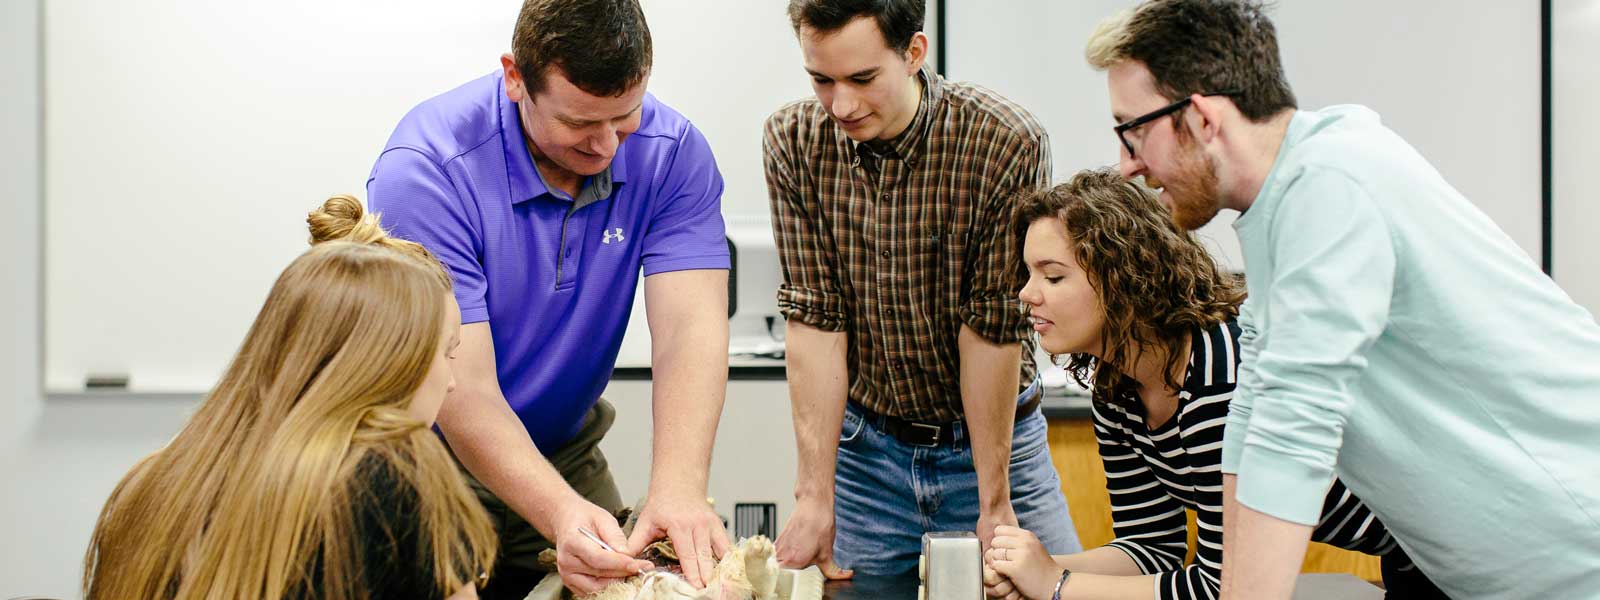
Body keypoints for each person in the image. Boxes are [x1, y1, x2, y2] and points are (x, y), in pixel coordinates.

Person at [1083, 1, 1600, 597]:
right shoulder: (1283, 205)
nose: (1127, 165)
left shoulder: (1332, 184)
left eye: (1133, 131)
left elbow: (1294, 431)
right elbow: (1252, 421)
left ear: (1201, 118)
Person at [365, 0, 733, 596]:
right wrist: (561, 513)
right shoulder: (428, 168)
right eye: (579, 123)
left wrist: (679, 487)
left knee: (638, 585)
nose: (607, 145)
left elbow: (691, 330)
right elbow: (467, 387)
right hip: (426, 461)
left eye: (625, 116)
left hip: (566, 447)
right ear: (516, 77)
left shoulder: (671, 152)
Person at [982, 170, 1443, 600]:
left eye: (1053, 275)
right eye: (1028, 274)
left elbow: (1220, 587)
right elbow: (1150, 550)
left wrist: (1057, 584)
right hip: (1411, 555)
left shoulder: (1218, 378)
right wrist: (1032, 570)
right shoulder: (1117, 391)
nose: (1026, 293)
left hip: (1455, 547)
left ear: (1122, 277)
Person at [765, 0, 1080, 578]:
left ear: (913, 53)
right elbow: (815, 317)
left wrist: (993, 502)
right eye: (821, 79)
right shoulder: (794, 141)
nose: (842, 105)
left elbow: (992, 326)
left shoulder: (1002, 143)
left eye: (862, 79)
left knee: (1053, 589)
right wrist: (814, 494)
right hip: (869, 459)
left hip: (995, 447)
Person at [82, 195, 497, 600]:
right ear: (389, 361)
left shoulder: (152, 482)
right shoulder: (400, 473)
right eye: (446, 353)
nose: (450, 382)